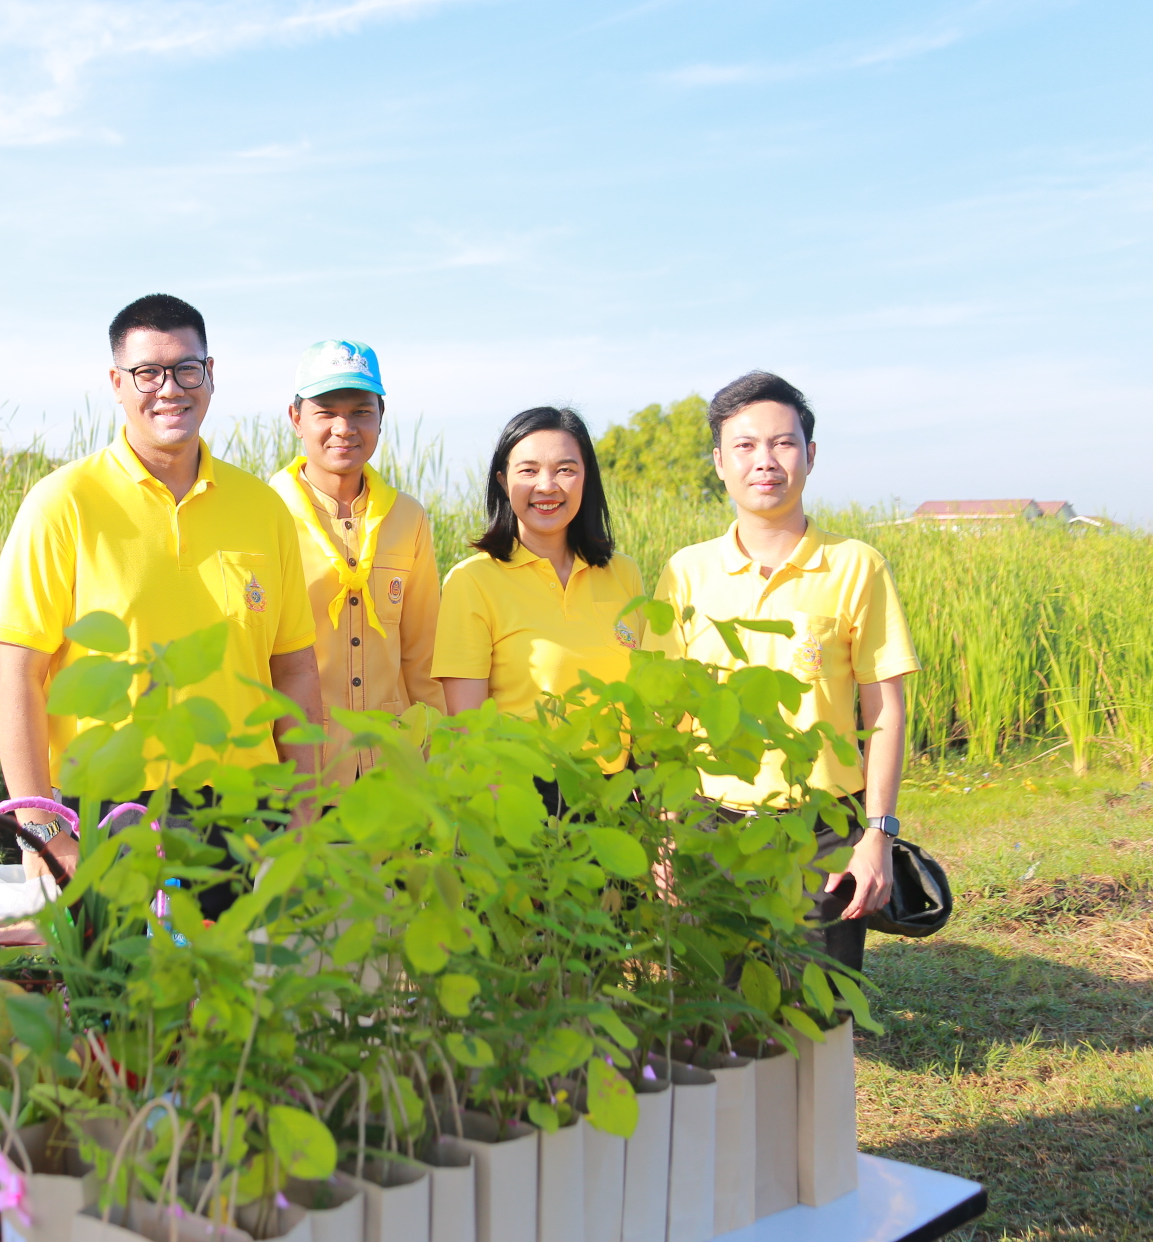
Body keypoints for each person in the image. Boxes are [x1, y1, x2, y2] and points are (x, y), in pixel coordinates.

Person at [0, 294, 323, 887]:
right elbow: (14, 668)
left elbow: (294, 670)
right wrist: (39, 828)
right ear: (117, 383)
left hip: (247, 814)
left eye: (187, 368)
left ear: (210, 376)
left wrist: (301, 812)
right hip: (107, 814)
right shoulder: (64, 504)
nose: (170, 388)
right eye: (147, 373)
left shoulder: (263, 509)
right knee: (113, 980)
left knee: (246, 979)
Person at [649, 371, 919, 971]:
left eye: (783, 442)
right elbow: (667, 713)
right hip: (709, 829)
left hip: (823, 832)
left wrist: (878, 834)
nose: (764, 461)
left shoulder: (856, 567)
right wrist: (665, 834)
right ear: (719, 462)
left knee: (818, 1020)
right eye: (745, 446)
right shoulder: (687, 573)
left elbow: (886, 709)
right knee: (712, 1015)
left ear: (810, 455)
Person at [268, 340, 444, 793]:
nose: (343, 427)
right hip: (298, 770)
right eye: (326, 412)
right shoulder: (265, 516)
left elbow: (422, 655)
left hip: (392, 771)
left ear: (381, 419)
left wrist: (436, 762)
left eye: (361, 411)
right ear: (296, 419)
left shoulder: (409, 519)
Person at [432, 408, 644, 780]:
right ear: (502, 480)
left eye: (565, 470)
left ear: (586, 478)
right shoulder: (472, 581)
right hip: (523, 795)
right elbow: (467, 729)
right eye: (528, 470)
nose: (547, 486)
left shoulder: (623, 573)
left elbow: (645, 702)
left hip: (619, 798)